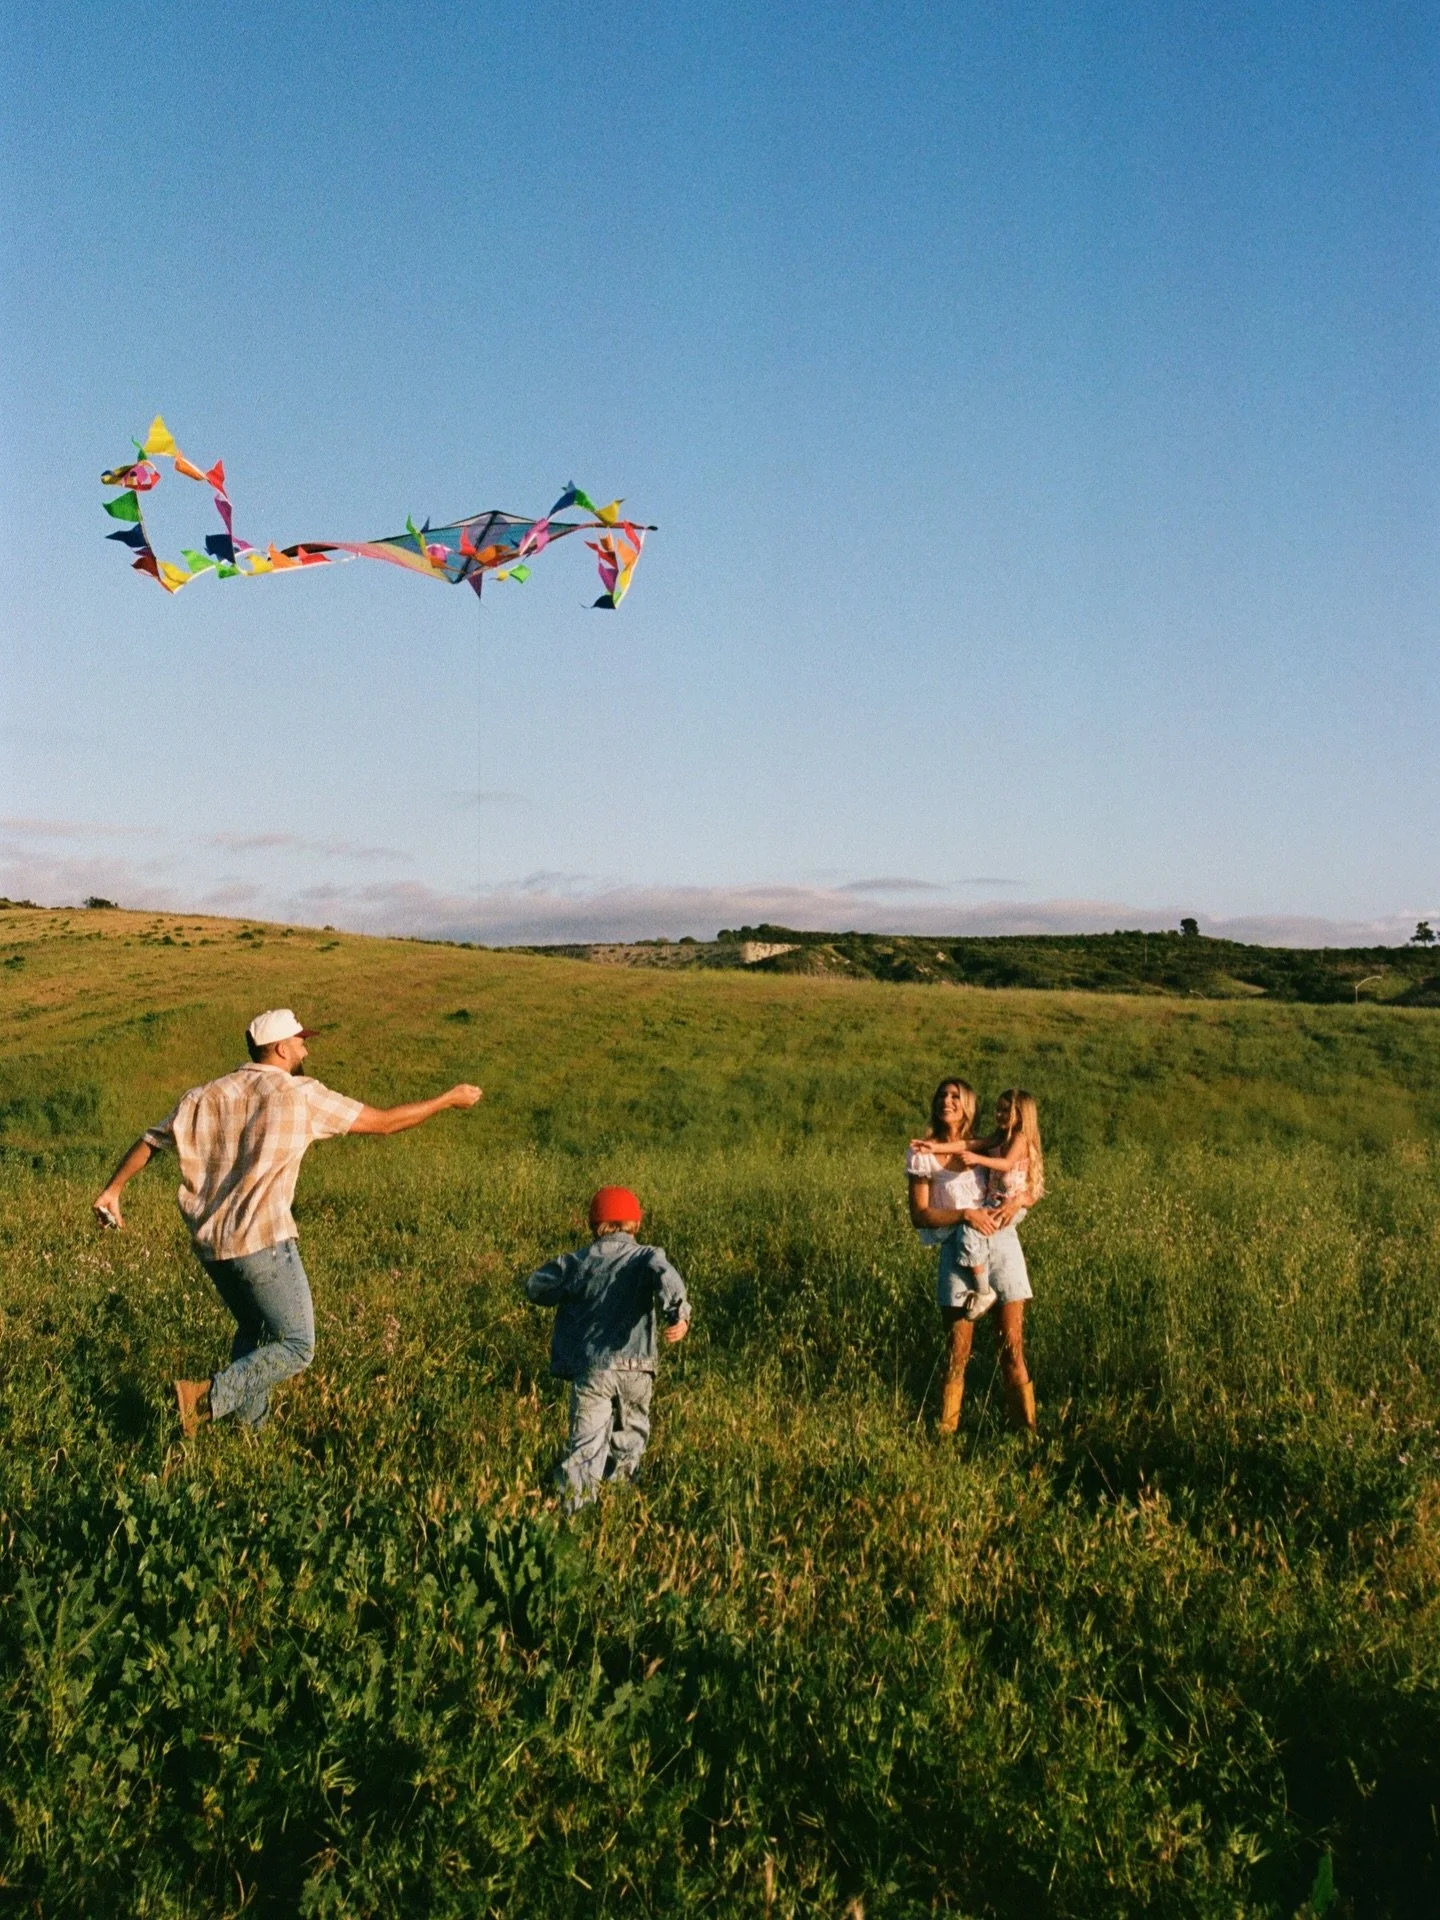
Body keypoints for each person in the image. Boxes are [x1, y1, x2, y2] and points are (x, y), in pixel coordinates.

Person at [92, 1008, 483, 1437]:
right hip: (263, 1243)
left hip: (213, 1249)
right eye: (300, 1042)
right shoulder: (301, 1094)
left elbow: (150, 1142)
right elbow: (386, 1123)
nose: (305, 1048)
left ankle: (249, 1432)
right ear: (281, 1048)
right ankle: (205, 1399)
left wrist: (113, 1191)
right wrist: (447, 1100)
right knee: (297, 1345)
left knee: (256, 1332)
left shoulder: (204, 1095)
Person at [523, 1185, 690, 1510]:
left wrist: (571, 1287)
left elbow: (536, 1287)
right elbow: (667, 1277)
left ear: (594, 1224)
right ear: (635, 1224)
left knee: (585, 1449)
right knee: (630, 1445)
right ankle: (618, 1515)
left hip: (594, 1369)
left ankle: (576, 1522)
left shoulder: (579, 1261)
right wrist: (678, 1314)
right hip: (638, 1371)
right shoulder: (647, 1256)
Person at [907, 1079, 1036, 1436]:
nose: (946, 1101)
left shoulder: (992, 1143)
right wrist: (965, 1214)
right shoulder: (923, 1154)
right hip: (959, 1252)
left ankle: (1026, 1434)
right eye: (941, 1095)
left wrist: (1020, 1201)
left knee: (1012, 1348)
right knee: (957, 1353)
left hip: (1004, 1246)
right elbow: (920, 1215)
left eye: (955, 1096)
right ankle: (946, 1436)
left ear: (968, 1105)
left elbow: (1027, 1178)